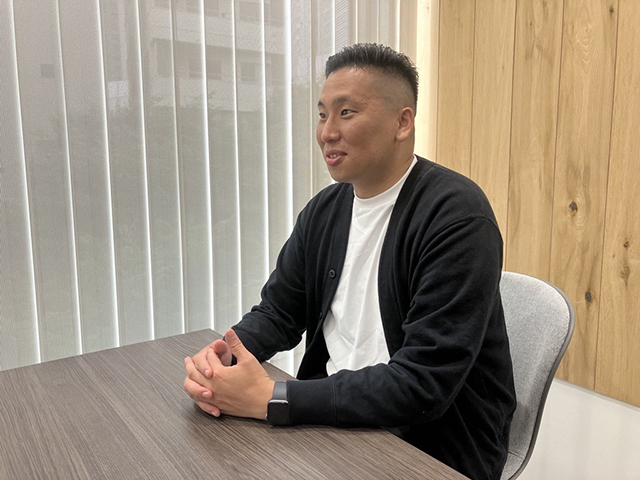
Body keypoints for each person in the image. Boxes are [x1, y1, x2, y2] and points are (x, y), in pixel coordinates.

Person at [184, 43, 516, 480]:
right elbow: (280, 311)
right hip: (334, 422)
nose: (327, 132)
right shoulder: (324, 211)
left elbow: (423, 384)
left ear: (402, 122)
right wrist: (225, 358)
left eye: (346, 113)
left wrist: (273, 397)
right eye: (322, 115)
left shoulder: (456, 217)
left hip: (430, 445)